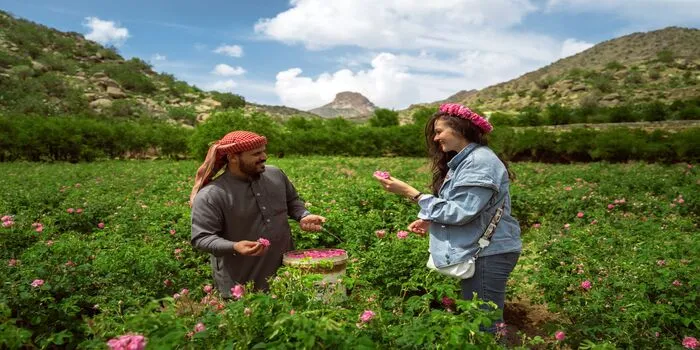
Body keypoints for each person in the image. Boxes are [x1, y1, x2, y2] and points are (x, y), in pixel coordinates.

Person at [374, 103, 521, 332]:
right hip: (483, 251)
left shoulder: (479, 161)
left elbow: (461, 212)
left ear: (460, 129)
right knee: (479, 319)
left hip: (489, 254)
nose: (435, 138)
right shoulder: (465, 161)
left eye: (439, 131)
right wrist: (431, 219)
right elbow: (469, 206)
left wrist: (411, 193)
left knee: (485, 327)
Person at [190, 130, 326, 297]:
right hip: (240, 284)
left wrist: (303, 215)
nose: (264, 156)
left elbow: (292, 201)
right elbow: (201, 238)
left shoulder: (276, 174)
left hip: (285, 274)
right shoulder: (211, 195)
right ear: (233, 157)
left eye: (263, 151)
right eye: (256, 153)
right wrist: (234, 246)